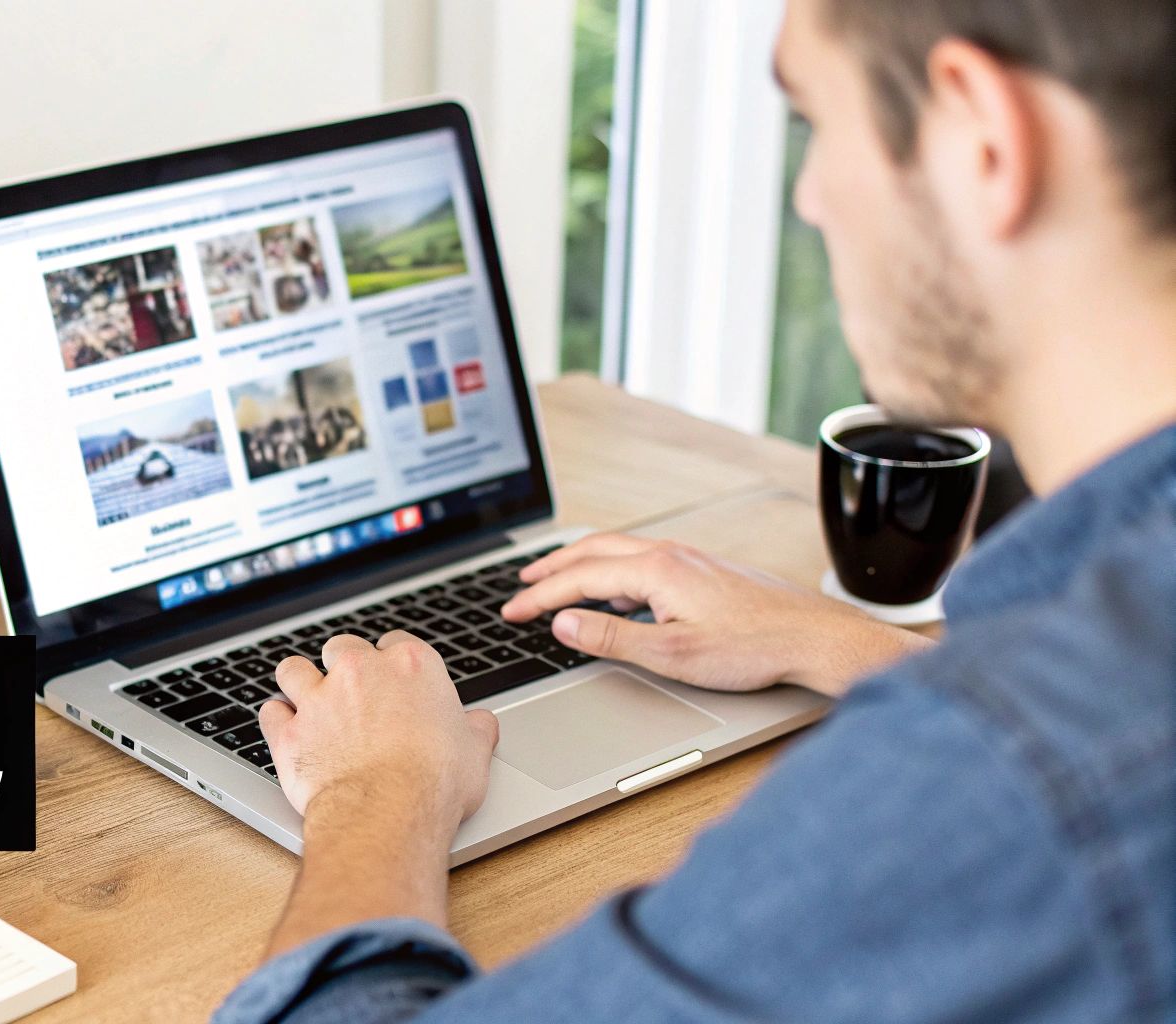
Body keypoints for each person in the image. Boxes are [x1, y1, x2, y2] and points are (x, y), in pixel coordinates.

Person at [215, 0, 1175, 1020]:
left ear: (981, 138)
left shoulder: (984, 785)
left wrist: (380, 791)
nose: (806, 196)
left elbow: (1040, 775)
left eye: (814, 123)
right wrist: (847, 645)